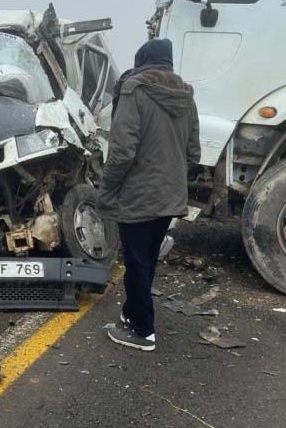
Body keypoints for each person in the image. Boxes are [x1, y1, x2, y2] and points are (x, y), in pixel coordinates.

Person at [98, 39, 200, 351]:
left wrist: (107, 188)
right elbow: (194, 153)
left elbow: (122, 152)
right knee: (147, 260)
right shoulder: (186, 96)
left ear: (142, 61)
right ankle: (132, 313)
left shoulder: (134, 91)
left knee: (136, 263)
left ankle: (143, 332)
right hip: (171, 195)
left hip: (139, 194)